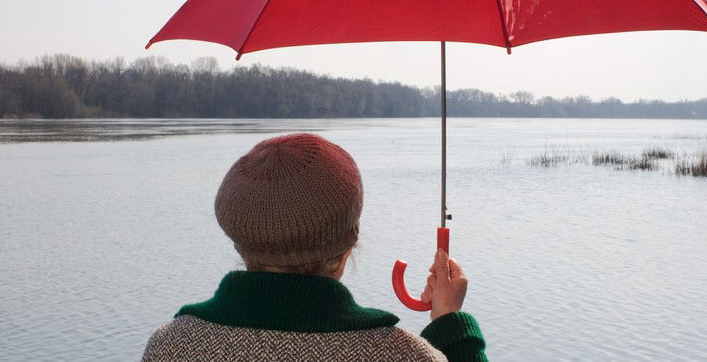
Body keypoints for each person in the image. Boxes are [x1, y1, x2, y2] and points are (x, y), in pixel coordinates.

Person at [143, 133, 487, 361]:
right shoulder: (401, 355)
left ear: (240, 240)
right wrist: (451, 325)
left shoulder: (169, 347)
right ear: (347, 247)